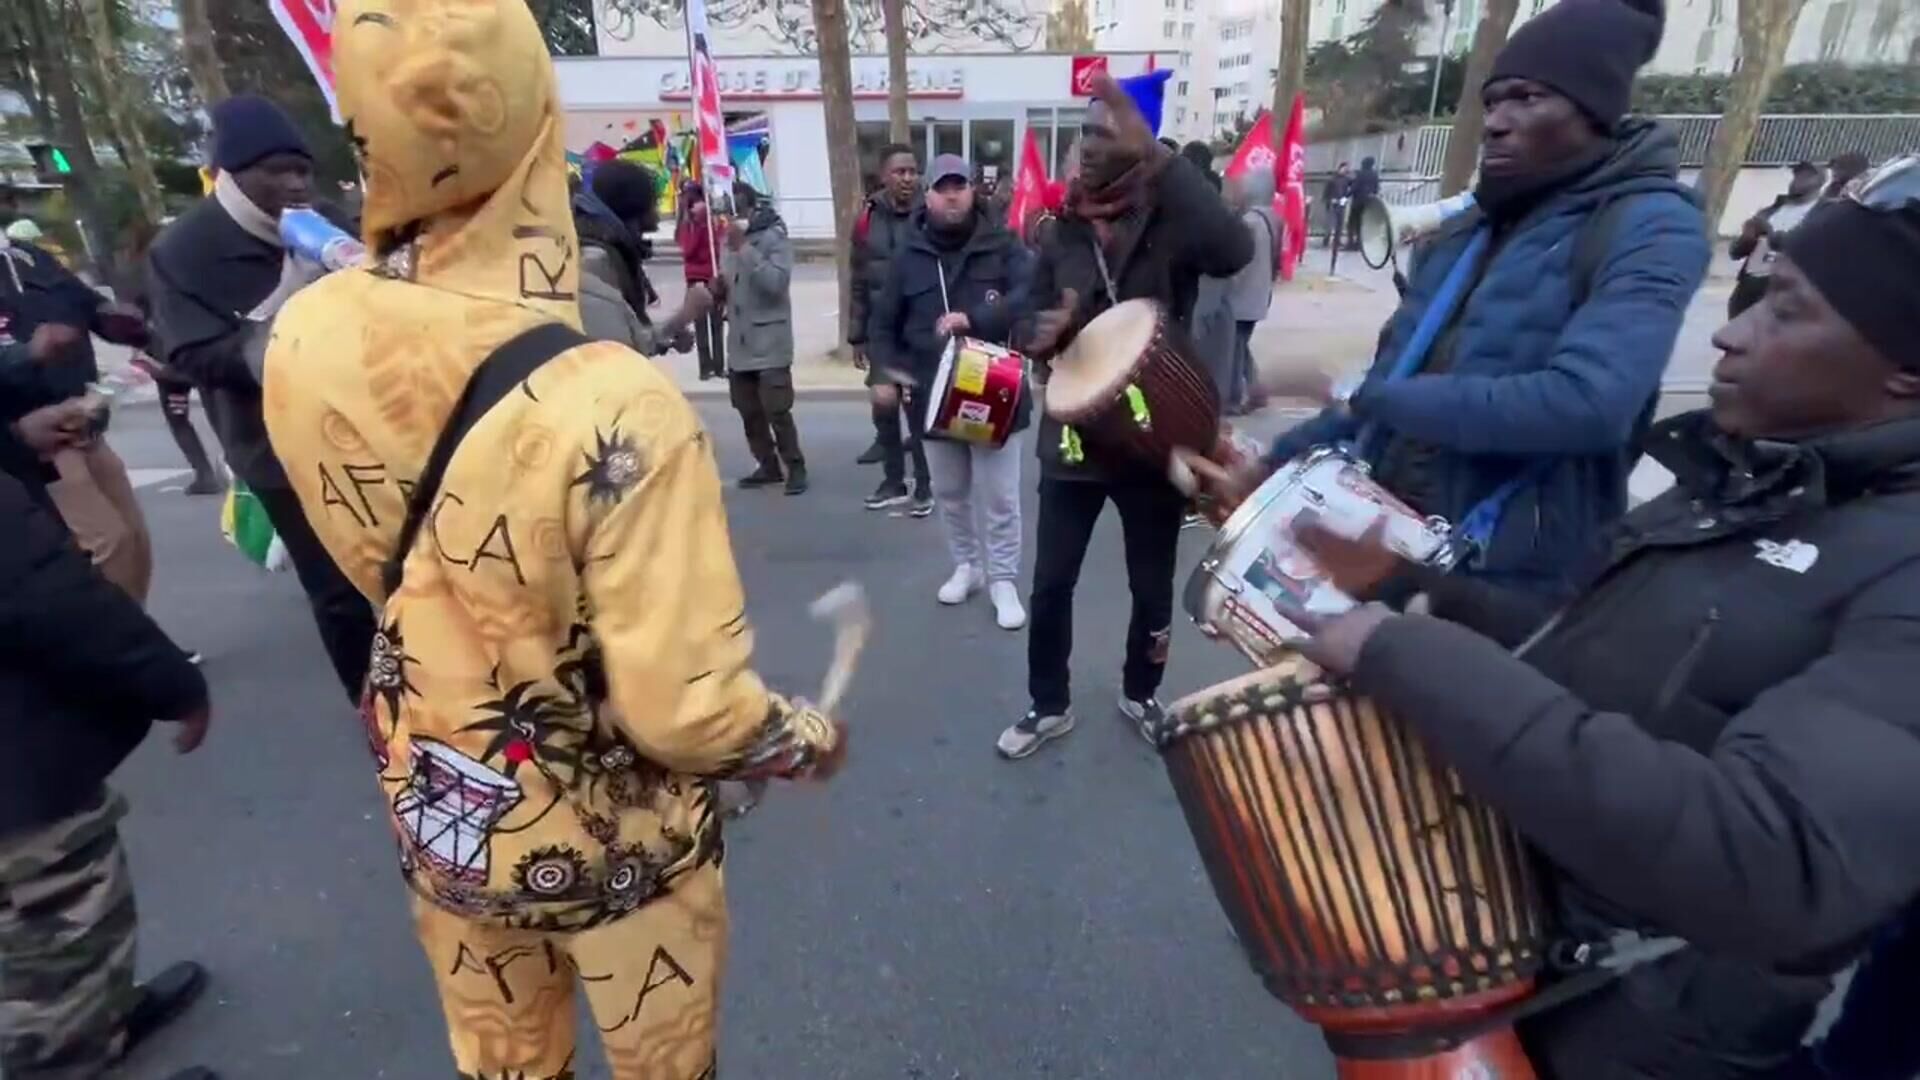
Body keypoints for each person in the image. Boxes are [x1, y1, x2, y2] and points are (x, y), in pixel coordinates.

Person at [261, 3, 845, 1077]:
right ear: (532, 116)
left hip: (443, 815)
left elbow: (374, 567)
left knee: (504, 1064)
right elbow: (688, 711)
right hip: (619, 854)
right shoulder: (616, 404)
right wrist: (799, 736)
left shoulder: (304, 332)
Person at [1282, 160, 1920, 1079]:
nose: (1729, 336)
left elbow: (1772, 862)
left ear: (1907, 369)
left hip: (1637, 1037)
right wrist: (1412, 586)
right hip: (1517, 969)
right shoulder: (1755, 480)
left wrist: (1404, 655)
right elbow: (1603, 661)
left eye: (1784, 308)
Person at [1235, 0, 1709, 600]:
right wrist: (1273, 463)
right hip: (1390, 553)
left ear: (1596, 112)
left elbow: (1589, 403)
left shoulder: (1653, 225)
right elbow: (1393, 390)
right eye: (1492, 101)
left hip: (1513, 583)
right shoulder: (1471, 228)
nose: (1496, 122)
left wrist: (1356, 391)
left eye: (1528, 98)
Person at [996, 72, 1252, 759]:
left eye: (1103, 132)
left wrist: (1167, 166)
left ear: (1140, 144)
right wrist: (1035, 331)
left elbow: (1236, 251)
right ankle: (1048, 704)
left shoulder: (1174, 220)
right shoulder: (1060, 230)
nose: (1084, 144)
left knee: (1150, 585)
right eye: (1082, 129)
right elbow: (1021, 309)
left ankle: (1141, 689)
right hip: (1076, 438)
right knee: (1051, 583)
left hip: (1153, 437)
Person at [146, 95, 376, 700]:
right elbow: (191, 355)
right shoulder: (183, 250)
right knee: (338, 593)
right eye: (277, 170)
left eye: (302, 170)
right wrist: (281, 317)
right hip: (278, 450)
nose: (296, 185)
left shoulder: (325, 221)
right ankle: (377, 714)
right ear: (232, 172)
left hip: (368, 428)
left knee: (399, 572)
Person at [1, 469, 215, 1080]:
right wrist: (173, 685)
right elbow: (53, 599)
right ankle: (68, 1049)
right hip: (21, 786)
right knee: (57, 934)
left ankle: (100, 1017)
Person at [871, 154, 1033, 629]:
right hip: (933, 396)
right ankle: (968, 566)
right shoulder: (909, 254)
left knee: (1001, 497)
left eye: (959, 185)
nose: (952, 194)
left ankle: (1003, 578)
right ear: (928, 195)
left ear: (972, 191)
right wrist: (888, 372)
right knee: (950, 492)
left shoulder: (1003, 244)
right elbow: (883, 323)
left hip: (995, 392)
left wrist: (978, 319)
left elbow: (1031, 294)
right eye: (942, 187)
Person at [1, 218, 157, 603]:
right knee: (107, 545)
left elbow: (85, 303)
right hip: (35, 439)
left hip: (82, 418)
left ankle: (137, 637)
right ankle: (119, 650)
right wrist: (26, 356)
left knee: (134, 538)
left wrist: (116, 319)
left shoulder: (27, 257)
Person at [851, 144, 932, 516]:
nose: (907, 178)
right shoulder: (868, 218)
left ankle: (926, 485)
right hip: (883, 334)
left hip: (920, 333)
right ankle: (893, 480)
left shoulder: (931, 214)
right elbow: (859, 280)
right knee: (883, 407)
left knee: (919, 414)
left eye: (912, 171)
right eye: (899, 171)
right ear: (884, 176)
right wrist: (858, 335)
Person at [115, 222, 223, 496]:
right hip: (200, 350)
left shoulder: (135, 273)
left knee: (178, 417)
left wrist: (138, 350)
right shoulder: (186, 263)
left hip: (166, 362)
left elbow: (130, 317)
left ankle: (204, 474)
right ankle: (235, 466)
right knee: (218, 410)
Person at [723, 181, 808, 496]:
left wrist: (744, 248)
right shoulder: (727, 239)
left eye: (737, 209)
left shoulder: (774, 238)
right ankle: (767, 464)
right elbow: (732, 281)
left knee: (777, 409)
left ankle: (795, 466)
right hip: (741, 342)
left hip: (770, 340)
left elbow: (775, 284)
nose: (730, 217)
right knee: (747, 409)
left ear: (751, 207)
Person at [571, 173, 709, 355]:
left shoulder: (617, 250)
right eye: (655, 204)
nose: (658, 215)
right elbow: (619, 348)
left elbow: (627, 325)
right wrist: (683, 316)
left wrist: (666, 340)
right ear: (634, 209)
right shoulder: (595, 260)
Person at [1728, 160, 1824, 318]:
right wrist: (1747, 237)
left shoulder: (1820, 214)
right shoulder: (1770, 210)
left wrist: (1770, 232)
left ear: (1820, 181)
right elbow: (1736, 252)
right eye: (1797, 175)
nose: (1798, 180)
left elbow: (1805, 246)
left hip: (1783, 287)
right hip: (1748, 286)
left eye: (1807, 176)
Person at [1224, 168, 1279, 415]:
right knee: (1242, 347)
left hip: (1242, 298)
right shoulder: (1272, 217)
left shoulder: (1250, 222)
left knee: (1235, 350)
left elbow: (1240, 263)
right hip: (1258, 297)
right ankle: (1258, 390)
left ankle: (1234, 399)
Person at [674, 182, 726, 379]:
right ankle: (707, 367)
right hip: (696, 278)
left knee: (714, 322)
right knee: (702, 323)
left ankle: (716, 366)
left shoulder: (709, 223)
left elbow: (698, 250)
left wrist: (702, 225)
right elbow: (687, 249)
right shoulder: (690, 225)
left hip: (707, 276)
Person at [1346, 156, 1380, 249]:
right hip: (1368, 201)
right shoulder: (1374, 174)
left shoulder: (1360, 174)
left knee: (1351, 222)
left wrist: (1346, 195)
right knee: (1361, 223)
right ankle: (1359, 243)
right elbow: (1376, 188)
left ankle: (1350, 243)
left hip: (1357, 201)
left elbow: (1355, 187)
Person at [1323, 161, 1354, 247]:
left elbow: (1353, 184)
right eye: (1344, 168)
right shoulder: (1332, 179)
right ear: (1339, 168)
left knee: (1340, 223)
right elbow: (1326, 192)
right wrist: (1329, 200)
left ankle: (1337, 240)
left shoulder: (1347, 179)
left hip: (1341, 203)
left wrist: (1345, 198)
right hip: (1333, 203)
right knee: (1330, 223)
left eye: (1346, 169)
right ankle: (1327, 239)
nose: (1345, 170)